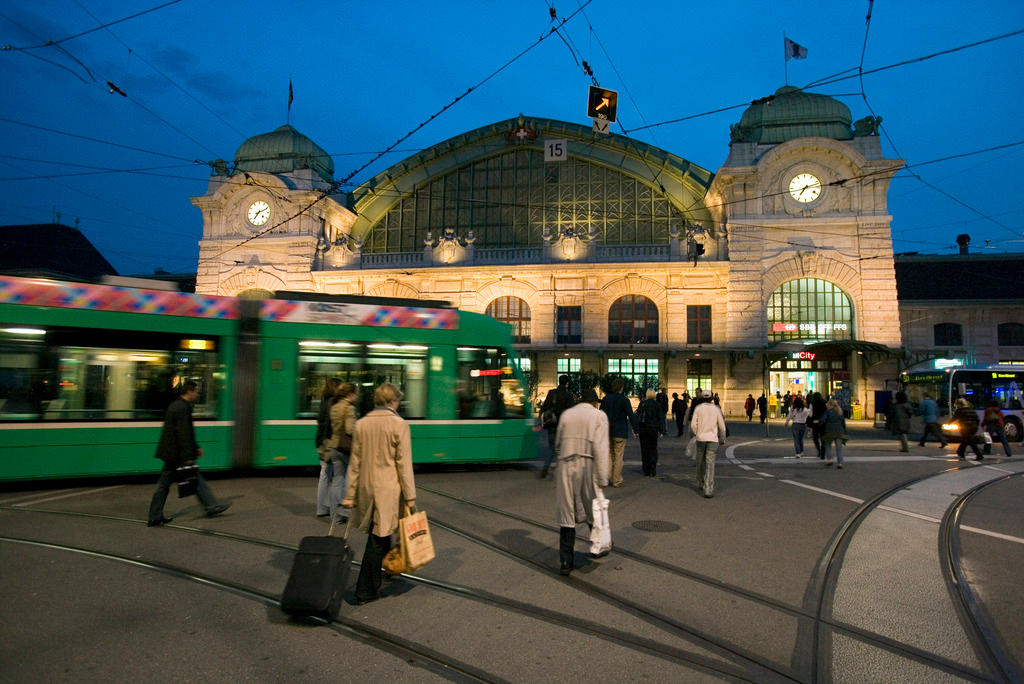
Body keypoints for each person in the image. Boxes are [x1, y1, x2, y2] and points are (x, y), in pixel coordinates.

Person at [341, 383, 417, 605]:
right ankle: (365, 590)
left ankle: (388, 569)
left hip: (366, 487)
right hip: (387, 489)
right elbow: (403, 463)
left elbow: (355, 463)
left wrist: (349, 494)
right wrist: (410, 495)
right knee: (378, 537)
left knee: (382, 531)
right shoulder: (399, 424)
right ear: (394, 401)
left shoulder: (362, 424)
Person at [147, 381, 230, 526]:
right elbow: (183, 434)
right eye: (196, 392)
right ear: (189, 392)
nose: (198, 394)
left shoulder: (178, 405)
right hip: (176, 454)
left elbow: (186, 432)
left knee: (167, 484)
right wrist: (187, 458)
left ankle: (155, 515)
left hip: (172, 452)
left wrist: (196, 447)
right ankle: (211, 506)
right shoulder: (182, 408)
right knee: (190, 479)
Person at [555, 388, 610, 575]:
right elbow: (602, 450)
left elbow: (557, 443)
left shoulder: (567, 414)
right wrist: (603, 478)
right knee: (592, 508)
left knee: (567, 513)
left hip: (565, 463)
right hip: (587, 464)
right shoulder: (599, 416)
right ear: (594, 402)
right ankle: (597, 547)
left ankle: (565, 561)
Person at [324, 382, 358, 523]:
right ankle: (345, 513)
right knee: (349, 479)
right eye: (356, 393)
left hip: (334, 446)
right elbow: (350, 430)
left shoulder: (334, 406)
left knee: (337, 480)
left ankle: (334, 515)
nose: (357, 396)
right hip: (346, 448)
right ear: (350, 394)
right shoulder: (349, 408)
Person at [599, 378, 638, 487]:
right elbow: (631, 415)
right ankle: (616, 480)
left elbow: (601, 414)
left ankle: (606, 479)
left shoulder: (606, 399)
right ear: (622, 388)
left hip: (607, 431)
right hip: (620, 431)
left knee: (608, 455)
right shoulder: (624, 399)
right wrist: (636, 429)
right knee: (618, 456)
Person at [315, 378, 343, 518]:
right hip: (328, 443)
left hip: (321, 441)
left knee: (325, 474)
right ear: (336, 388)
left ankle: (322, 507)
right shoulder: (333, 402)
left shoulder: (324, 400)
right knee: (335, 476)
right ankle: (333, 509)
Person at [690, 390, 726, 498]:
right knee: (710, 463)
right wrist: (722, 438)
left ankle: (700, 482)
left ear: (701, 398)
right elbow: (722, 426)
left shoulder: (698, 408)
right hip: (713, 439)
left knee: (700, 461)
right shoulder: (716, 409)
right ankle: (708, 489)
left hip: (701, 439)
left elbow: (692, 425)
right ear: (711, 398)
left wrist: (697, 433)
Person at [539, 375, 574, 479]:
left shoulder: (551, 392)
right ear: (567, 383)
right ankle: (562, 470)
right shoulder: (568, 395)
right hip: (563, 426)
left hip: (551, 424)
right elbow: (570, 411)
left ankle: (546, 466)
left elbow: (544, 407)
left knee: (551, 448)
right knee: (564, 448)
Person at [635, 389, 667, 476]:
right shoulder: (657, 405)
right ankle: (653, 463)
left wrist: (635, 430)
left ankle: (646, 468)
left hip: (643, 429)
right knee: (653, 447)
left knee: (644, 449)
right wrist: (661, 430)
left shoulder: (642, 404)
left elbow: (637, 417)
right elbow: (661, 418)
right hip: (653, 429)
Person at [821, 399, 849, 468]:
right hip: (839, 431)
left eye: (827, 404)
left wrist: (819, 421)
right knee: (839, 448)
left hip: (829, 431)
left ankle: (829, 459)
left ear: (830, 405)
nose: (827, 406)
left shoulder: (828, 412)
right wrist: (845, 432)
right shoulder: (840, 412)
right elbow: (843, 423)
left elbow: (823, 419)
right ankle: (840, 463)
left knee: (827, 445)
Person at [809, 393, 828, 458]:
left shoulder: (812, 403)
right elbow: (826, 412)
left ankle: (819, 450)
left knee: (815, 438)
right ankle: (823, 452)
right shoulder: (824, 403)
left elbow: (810, 414)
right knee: (823, 438)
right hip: (823, 422)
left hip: (815, 422)